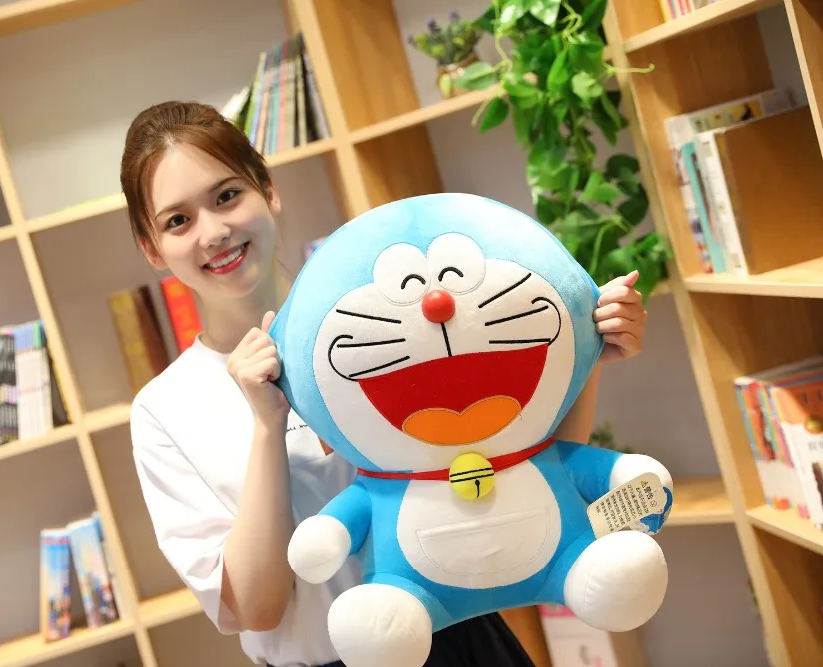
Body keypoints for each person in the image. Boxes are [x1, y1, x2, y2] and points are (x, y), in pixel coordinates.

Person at [121, 101, 649, 667]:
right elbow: (257, 608)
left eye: (227, 196)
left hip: (464, 643)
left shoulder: (392, 320)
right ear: (152, 248)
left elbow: (527, 467)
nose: (214, 231)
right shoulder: (165, 409)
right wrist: (268, 426)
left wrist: (592, 349)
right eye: (178, 221)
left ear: (267, 189)